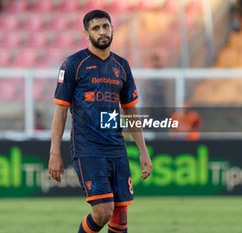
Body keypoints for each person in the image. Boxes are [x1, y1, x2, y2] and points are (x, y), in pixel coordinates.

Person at [48, 10, 152, 233]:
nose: (102, 32)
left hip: (117, 148)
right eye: (96, 28)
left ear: (112, 29)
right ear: (87, 33)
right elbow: (60, 111)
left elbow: (130, 112)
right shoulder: (74, 64)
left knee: (120, 215)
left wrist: (143, 150)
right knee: (103, 211)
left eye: (105, 26)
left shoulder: (122, 66)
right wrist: (54, 152)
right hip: (88, 149)